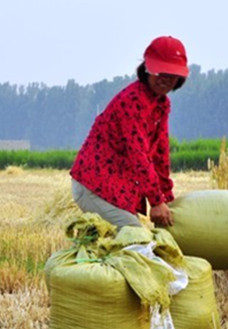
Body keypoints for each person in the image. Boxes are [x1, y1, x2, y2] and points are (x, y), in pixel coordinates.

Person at [70, 35, 189, 228]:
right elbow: (138, 154)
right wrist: (156, 201)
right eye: (160, 73)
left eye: (171, 75)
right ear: (147, 69)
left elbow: (160, 156)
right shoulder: (133, 101)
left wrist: (166, 198)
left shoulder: (161, 104)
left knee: (118, 246)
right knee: (135, 237)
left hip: (116, 189)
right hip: (95, 186)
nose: (165, 80)